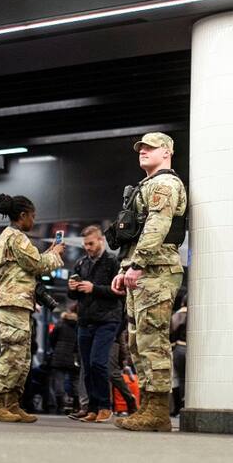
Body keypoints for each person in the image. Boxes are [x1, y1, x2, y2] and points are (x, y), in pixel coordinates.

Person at [109, 132, 187, 433]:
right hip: (142, 269)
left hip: (156, 270)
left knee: (152, 339)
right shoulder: (148, 184)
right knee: (138, 340)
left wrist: (138, 264)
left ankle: (157, 410)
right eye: (140, 148)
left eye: (150, 148)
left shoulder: (165, 184)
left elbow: (157, 225)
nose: (142, 151)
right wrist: (126, 266)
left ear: (166, 152)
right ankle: (147, 407)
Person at [0, 193, 64, 423]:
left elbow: (29, 265)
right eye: (33, 216)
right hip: (13, 303)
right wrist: (55, 254)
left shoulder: (7, 238)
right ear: (22, 215)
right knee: (11, 355)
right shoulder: (16, 237)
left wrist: (50, 253)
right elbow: (37, 265)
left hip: (17, 302)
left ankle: (11, 403)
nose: (34, 221)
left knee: (21, 356)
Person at [68, 225, 123, 423]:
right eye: (85, 245)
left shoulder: (113, 262)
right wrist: (73, 288)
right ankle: (91, 407)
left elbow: (119, 291)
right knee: (87, 367)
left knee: (98, 363)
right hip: (85, 320)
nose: (88, 248)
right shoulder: (81, 263)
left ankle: (105, 406)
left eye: (91, 243)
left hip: (107, 319)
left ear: (101, 241)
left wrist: (94, 288)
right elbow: (73, 295)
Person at [48, 306, 81, 414]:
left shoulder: (60, 324)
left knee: (59, 381)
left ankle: (60, 406)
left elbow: (51, 339)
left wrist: (55, 348)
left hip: (59, 355)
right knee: (75, 381)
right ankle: (76, 405)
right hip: (74, 356)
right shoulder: (79, 325)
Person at [170, 293, 187, 417]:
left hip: (179, 348)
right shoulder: (196, 314)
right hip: (192, 350)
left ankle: (178, 408)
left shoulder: (178, 314)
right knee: (187, 379)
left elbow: (171, 331)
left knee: (178, 379)